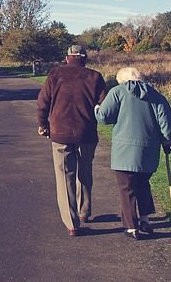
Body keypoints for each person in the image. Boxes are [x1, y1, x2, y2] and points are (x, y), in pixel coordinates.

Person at [95, 66, 171, 240]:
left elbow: (104, 117)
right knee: (143, 184)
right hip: (149, 150)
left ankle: (131, 227)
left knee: (127, 188)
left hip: (124, 151)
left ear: (122, 80)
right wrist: (168, 140)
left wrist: (96, 109)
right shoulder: (155, 95)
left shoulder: (117, 92)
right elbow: (167, 125)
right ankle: (145, 220)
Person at [36, 45, 107, 236]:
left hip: (60, 133)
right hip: (87, 133)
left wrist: (43, 125)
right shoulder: (95, 77)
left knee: (65, 177)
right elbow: (104, 105)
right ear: (84, 58)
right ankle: (84, 211)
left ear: (67, 58)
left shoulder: (54, 75)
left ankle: (72, 223)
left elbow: (42, 102)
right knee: (85, 172)